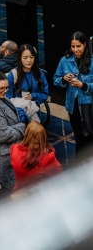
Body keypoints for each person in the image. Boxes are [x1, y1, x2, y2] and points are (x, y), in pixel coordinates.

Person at [53, 31, 93, 160]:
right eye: (73, 46)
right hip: (72, 105)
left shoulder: (92, 62)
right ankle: (80, 160)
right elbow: (56, 80)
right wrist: (64, 79)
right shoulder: (65, 61)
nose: (75, 50)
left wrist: (84, 85)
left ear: (85, 44)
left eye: (78, 46)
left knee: (89, 136)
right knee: (78, 135)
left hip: (88, 106)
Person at [11, 121, 62, 192]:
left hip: (20, 193)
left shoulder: (14, 149)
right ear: (44, 137)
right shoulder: (50, 161)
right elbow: (60, 181)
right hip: (40, 197)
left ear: (26, 135)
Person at [6, 44, 49, 119]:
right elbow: (7, 99)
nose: (29, 60)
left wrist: (33, 96)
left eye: (31, 57)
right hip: (18, 114)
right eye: (25, 58)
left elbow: (45, 94)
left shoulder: (38, 72)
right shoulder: (13, 75)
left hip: (34, 111)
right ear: (20, 58)